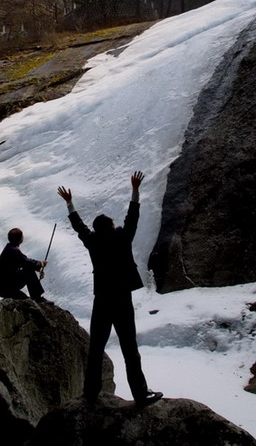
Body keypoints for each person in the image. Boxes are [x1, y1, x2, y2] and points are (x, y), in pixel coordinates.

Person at [57, 171, 162, 407]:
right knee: (130, 348)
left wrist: (70, 204)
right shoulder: (122, 238)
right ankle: (140, 394)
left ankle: (91, 395)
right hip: (122, 298)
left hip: (102, 299)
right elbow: (132, 218)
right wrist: (135, 191)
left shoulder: (93, 242)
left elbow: (79, 227)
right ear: (112, 226)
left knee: (96, 348)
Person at [0, 227, 48, 300]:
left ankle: (36, 297)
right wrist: (41, 263)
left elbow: (24, 262)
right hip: (4, 288)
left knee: (28, 270)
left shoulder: (9, 248)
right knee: (29, 272)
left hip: (1, 287)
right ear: (20, 239)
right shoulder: (14, 251)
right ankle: (37, 298)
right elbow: (26, 262)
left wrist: (38, 268)